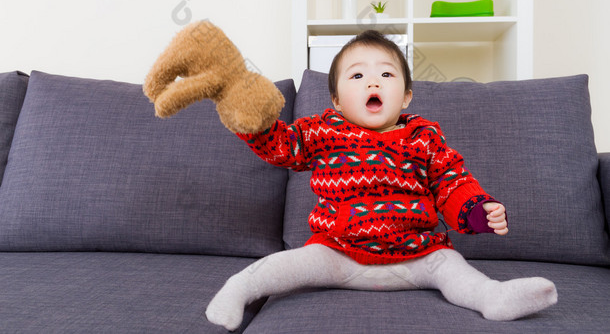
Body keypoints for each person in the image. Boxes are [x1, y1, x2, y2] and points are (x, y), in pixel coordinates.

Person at [205, 30, 557, 331]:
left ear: (405, 96)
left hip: (419, 256)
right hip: (337, 251)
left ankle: (492, 297)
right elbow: (283, 145)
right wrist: (251, 121)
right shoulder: (324, 130)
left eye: (387, 75)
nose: (373, 81)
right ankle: (240, 287)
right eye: (357, 76)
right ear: (336, 100)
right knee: (286, 265)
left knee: (455, 270)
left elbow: (452, 180)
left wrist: (478, 210)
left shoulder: (423, 136)